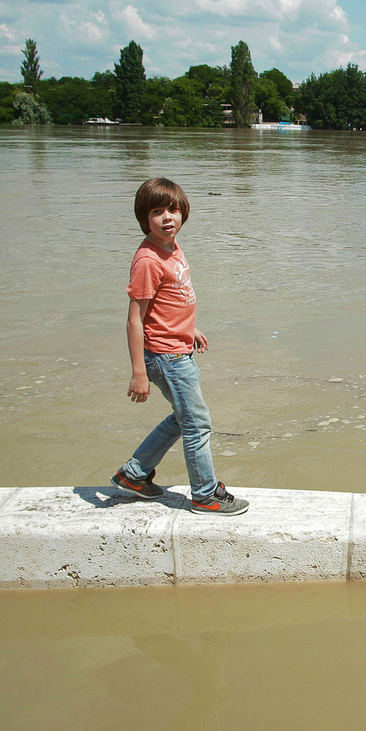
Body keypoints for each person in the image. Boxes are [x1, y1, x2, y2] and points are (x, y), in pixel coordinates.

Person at [111, 177, 248, 515]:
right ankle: (204, 495)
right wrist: (138, 373)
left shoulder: (171, 247)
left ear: (183, 214)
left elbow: (170, 302)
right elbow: (135, 319)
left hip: (178, 347)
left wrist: (190, 328)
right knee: (197, 423)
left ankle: (134, 475)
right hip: (165, 357)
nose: (167, 218)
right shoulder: (148, 260)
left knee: (183, 418)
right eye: (157, 212)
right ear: (145, 219)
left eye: (173, 210)